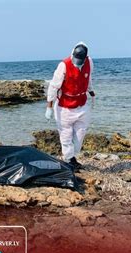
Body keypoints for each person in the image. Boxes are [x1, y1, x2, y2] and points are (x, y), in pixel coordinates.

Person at [45, 42, 95, 171]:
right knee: (66, 136)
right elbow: (53, 87)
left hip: (82, 105)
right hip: (65, 108)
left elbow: (88, 77)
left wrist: (90, 90)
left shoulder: (89, 62)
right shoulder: (64, 65)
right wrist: (49, 107)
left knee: (80, 136)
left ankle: (72, 156)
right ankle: (69, 160)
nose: (77, 62)